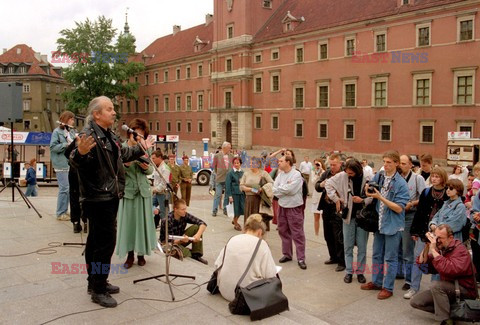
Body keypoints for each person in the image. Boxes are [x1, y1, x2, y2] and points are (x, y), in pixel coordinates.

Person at [69, 96, 153, 308]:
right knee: (104, 244)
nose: (114, 112)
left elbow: (123, 154)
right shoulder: (88, 135)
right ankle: (98, 289)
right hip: (98, 198)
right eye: (109, 109)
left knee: (96, 242)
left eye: (113, 109)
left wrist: (142, 148)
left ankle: (96, 281)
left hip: (109, 195)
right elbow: (76, 159)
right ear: (97, 114)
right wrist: (80, 154)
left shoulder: (108, 134)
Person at [360, 150, 409, 300]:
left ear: (396, 163)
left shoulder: (401, 183)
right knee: (376, 254)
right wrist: (367, 189)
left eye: (389, 162)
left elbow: (399, 208)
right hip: (379, 223)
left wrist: (380, 197)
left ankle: (388, 287)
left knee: (391, 258)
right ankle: (376, 281)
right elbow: (369, 188)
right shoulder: (379, 176)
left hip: (393, 225)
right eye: (384, 162)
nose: (386, 165)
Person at [410, 224, 477, 325]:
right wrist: (427, 246)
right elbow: (424, 267)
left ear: (450, 237)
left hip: (465, 290)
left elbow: (450, 269)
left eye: (440, 238)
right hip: (448, 290)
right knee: (416, 301)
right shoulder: (442, 249)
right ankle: (453, 312)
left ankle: (445, 320)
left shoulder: (460, 250)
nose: (437, 240)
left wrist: (433, 250)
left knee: (436, 285)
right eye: (436, 237)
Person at [116, 118, 157, 269]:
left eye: (141, 135)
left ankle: (141, 254)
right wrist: (126, 165)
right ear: (130, 134)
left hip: (143, 191)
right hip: (128, 191)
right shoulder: (122, 148)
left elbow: (151, 170)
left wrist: (145, 166)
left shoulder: (146, 148)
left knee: (142, 224)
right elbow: (117, 170)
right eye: (136, 134)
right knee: (129, 225)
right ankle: (130, 255)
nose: (138, 138)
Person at [406, 167, 449, 300]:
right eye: (433, 176)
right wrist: (415, 231)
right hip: (424, 231)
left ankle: (433, 290)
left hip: (439, 233)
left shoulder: (448, 193)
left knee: (437, 260)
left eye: (437, 176)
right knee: (418, 259)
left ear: (443, 178)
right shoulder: (426, 192)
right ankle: (414, 287)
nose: (434, 178)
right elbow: (419, 214)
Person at [214, 214, 277, 302]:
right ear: (259, 232)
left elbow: (217, 264)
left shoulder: (233, 239)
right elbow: (270, 274)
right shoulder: (261, 244)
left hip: (224, 290)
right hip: (246, 296)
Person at [326, 159, 369, 284]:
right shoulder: (342, 176)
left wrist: (362, 200)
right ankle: (349, 271)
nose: (348, 175)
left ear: (357, 171)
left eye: (351, 173)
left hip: (363, 216)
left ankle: (360, 272)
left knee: (362, 246)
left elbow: (372, 195)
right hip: (348, 216)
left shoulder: (367, 177)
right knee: (348, 245)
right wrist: (336, 199)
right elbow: (328, 183)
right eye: (347, 173)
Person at [398, 154, 426, 291]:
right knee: (397, 247)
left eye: (404, 163)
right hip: (396, 215)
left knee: (407, 250)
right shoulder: (396, 178)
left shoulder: (417, 179)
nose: (401, 166)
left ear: (411, 165)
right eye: (400, 163)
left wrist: (412, 203)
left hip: (409, 216)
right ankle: (399, 272)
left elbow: (424, 198)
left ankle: (409, 280)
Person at [273, 155, 306, 270]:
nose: (279, 163)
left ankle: (301, 258)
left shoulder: (296, 174)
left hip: (294, 207)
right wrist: (283, 189)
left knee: (297, 233)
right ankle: (287, 254)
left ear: (288, 162)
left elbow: (291, 190)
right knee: (283, 231)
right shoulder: (280, 175)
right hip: (282, 206)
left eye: (281, 161)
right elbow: (274, 190)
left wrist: (281, 189)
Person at [315, 153, 345, 271]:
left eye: (334, 165)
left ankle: (341, 261)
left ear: (340, 164)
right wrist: (321, 184)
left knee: (338, 235)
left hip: (338, 208)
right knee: (328, 234)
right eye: (330, 165)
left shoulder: (344, 174)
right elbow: (317, 186)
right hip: (327, 207)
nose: (332, 167)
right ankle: (333, 256)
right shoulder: (326, 173)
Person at [160, 199, 208, 264]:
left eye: (185, 209)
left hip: (180, 238)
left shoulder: (184, 215)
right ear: (175, 209)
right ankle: (191, 254)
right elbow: (170, 241)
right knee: (185, 253)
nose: (185, 211)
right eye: (182, 209)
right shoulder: (167, 220)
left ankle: (196, 255)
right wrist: (181, 240)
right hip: (168, 243)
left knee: (196, 227)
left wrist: (198, 235)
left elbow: (203, 223)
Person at [50, 111, 76, 221]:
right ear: (66, 119)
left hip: (70, 163)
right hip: (61, 163)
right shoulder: (56, 132)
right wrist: (66, 144)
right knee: (64, 188)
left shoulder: (71, 131)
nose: (73, 121)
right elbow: (53, 147)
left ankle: (65, 210)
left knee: (70, 189)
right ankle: (60, 213)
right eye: (71, 119)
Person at [240, 157, 274, 224]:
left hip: (260, 200)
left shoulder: (263, 173)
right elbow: (241, 186)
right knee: (249, 222)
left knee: (259, 222)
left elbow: (272, 183)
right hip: (249, 200)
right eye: (250, 163)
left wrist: (263, 188)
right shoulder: (246, 174)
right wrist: (251, 189)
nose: (250, 164)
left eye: (252, 163)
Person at [212, 142, 233, 216]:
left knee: (227, 195)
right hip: (219, 178)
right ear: (224, 148)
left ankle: (225, 209)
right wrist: (218, 173)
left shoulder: (231, 156)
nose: (230, 149)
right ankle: (214, 210)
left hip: (228, 179)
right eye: (229, 147)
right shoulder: (217, 156)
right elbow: (214, 167)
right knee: (218, 195)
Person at [225, 157, 245, 231]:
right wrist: (229, 196)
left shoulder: (243, 173)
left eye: (238, 163)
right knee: (236, 209)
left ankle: (234, 220)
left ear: (240, 164)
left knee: (242, 209)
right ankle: (236, 224)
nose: (236, 164)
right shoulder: (230, 173)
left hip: (242, 193)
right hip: (234, 194)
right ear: (233, 164)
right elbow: (228, 185)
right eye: (235, 163)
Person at [152, 151, 170, 229]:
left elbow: (164, 183)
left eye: (154, 158)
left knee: (164, 213)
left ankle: (166, 229)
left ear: (159, 158)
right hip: (157, 193)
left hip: (163, 193)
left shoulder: (165, 168)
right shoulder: (156, 166)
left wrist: (154, 190)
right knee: (150, 205)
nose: (152, 160)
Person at [311, 158, 325, 236]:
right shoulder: (313, 172)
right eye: (315, 164)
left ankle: (325, 232)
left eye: (318, 164)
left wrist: (321, 170)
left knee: (324, 217)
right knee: (316, 217)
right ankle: (316, 233)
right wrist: (317, 174)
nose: (316, 165)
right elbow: (313, 182)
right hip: (315, 196)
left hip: (322, 196)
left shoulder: (324, 172)